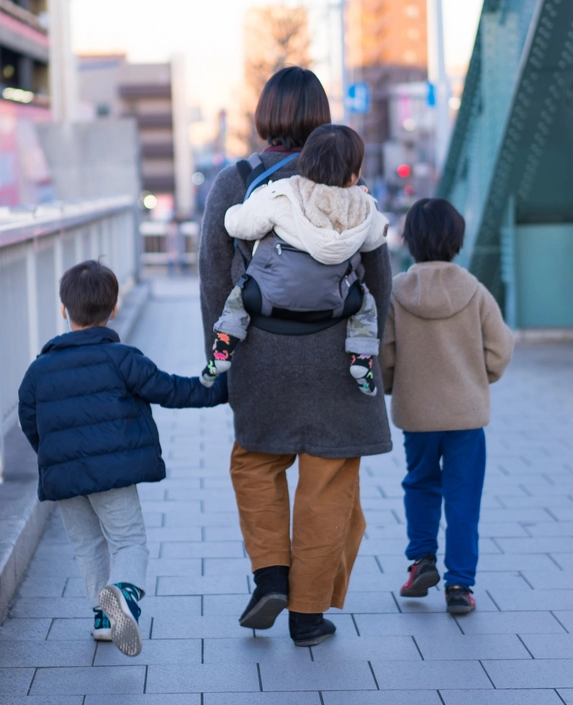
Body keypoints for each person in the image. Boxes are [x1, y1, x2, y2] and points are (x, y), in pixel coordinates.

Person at [199, 67, 393, 647]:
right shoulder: (351, 186)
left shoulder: (235, 182)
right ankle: (308, 614)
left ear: (265, 115)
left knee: (255, 464)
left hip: (263, 355)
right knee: (328, 483)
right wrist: (373, 357)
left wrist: (219, 357)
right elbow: (380, 280)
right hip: (338, 358)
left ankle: (270, 578)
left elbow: (214, 275)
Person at [18, 260, 228, 655]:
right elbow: (169, 390)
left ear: (64, 310)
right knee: (128, 540)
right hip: (112, 474)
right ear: (113, 309)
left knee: (87, 546)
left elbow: (29, 419)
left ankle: (102, 617)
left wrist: (54, 458)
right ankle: (123, 595)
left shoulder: (39, 369)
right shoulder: (122, 358)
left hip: (65, 477)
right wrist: (219, 388)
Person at [378, 199, 514, 614]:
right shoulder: (473, 290)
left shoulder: (397, 292)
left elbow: (383, 354)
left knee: (419, 482)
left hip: (417, 414)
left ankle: (421, 561)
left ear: (409, 241)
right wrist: (480, 377)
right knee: (463, 496)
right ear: (456, 240)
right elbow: (501, 349)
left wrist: (393, 385)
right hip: (466, 415)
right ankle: (460, 586)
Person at [201, 124, 389, 396]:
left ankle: (223, 348)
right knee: (366, 306)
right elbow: (376, 238)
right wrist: (366, 202)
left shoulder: (283, 193)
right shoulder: (362, 205)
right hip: (338, 300)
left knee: (238, 298)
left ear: (306, 165)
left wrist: (232, 214)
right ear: (354, 175)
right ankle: (361, 359)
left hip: (268, 294)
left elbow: (240, 225)